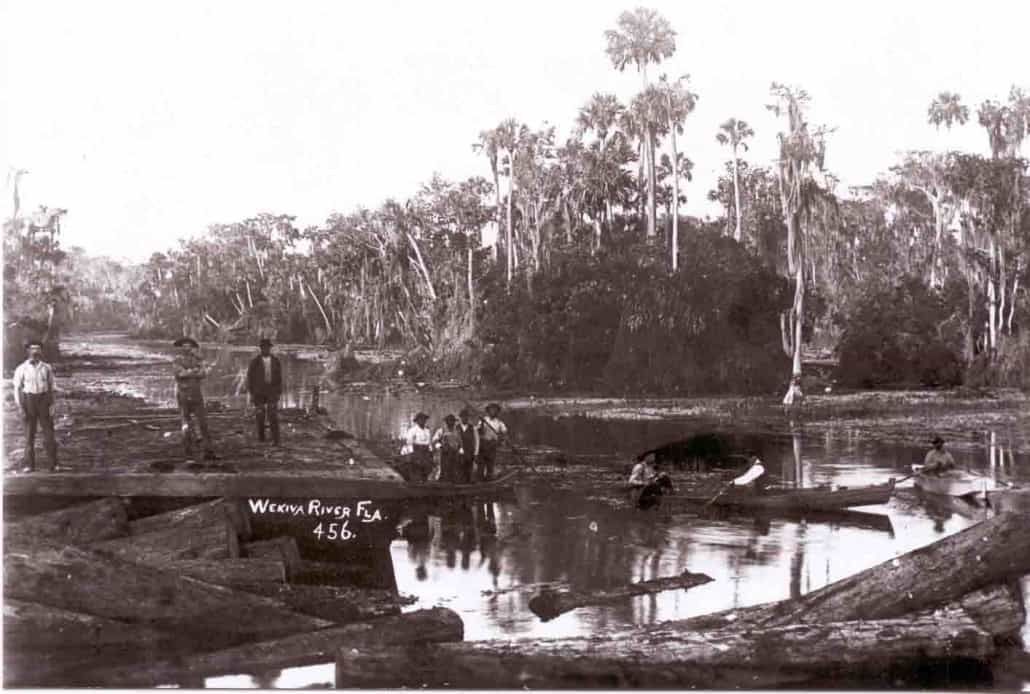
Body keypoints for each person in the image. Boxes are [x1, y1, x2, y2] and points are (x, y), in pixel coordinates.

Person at [12, 340, 59, 472]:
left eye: (38, 349)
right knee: (29, 435)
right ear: (28, 351)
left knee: (49, 434)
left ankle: (53, 464)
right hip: (29, 401)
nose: (35, 352)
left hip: (44, 400)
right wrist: (20, 407)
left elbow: (51, 387)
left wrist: (52, 404)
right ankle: (29, 465)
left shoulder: (47, 368)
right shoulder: (21, 368)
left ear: (41, 351)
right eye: (32, 349)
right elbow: (17, 389)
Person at [172, 337, 216, 460]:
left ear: (192, 347)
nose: (187, 348)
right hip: (183, 394)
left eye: (189, 346)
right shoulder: (177, 360)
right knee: (186, 423)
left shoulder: (198, 359)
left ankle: (208, 450)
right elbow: (180, 374)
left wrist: (191, 371)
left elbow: (203, 374)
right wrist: (194, 371)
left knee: (203, 423)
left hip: (196, 393)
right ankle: (188, 451)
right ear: (181, 347)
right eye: (184, 346)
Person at [246, 338, 283, 446]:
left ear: (270, 348)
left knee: (273, 415)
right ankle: (261, 437)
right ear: (261, 348)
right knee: (260, 415)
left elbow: (279, 378)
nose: (266, 349)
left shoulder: (276, 361)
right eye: (264, 347)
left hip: (272, 391)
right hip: (259, 392)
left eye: (268, 347)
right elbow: (250, 379)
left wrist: (278, 392)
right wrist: (252, 393)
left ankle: (276, 439)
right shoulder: (255, 362)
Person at [477, 403, 508, 481]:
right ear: (488, 411)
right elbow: (479, 432)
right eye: (491, 409)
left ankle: (489, 481)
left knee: (490, 465)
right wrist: (482, 424)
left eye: (495, 410)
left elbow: (505, 433)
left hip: (492, 445)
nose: (493, 411)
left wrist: (503, 440)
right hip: (483, 445)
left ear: (497, 412)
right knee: (481, 465)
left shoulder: (499, 423)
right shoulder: (483, 420)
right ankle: (480, 481)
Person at [403, 412, 433, 481]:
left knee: (426, 468)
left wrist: (430, 451)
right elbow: (409, 442)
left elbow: (429, 442)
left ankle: (424, 481)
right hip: (416, 451)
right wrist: (411, 454)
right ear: (417, 421)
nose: (423, 421)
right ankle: (416, 482)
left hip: (426, 452)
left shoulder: (427, 430)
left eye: (424, 419)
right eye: (421, 419)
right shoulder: (413, 430)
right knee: (416, 468)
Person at [432, 414, 463, 482]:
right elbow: (434, 440)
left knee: (454, 468)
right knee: (444, 468)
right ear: (446, 422)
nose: (451, 422)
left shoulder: (457, 431)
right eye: (449, 421)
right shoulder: (441, 430)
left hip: (455, 453)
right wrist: (440, 446)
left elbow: (460, 442)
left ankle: (454, 482)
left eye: (452, 421)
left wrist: (460, 449)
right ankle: (442, 481)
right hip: (445, 453)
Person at [457, 408, 480, 484]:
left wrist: (476, 453)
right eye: (463, 417)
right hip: (459, 452)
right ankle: (460, 485)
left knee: (469, 468)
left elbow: (477, 440)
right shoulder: (456, 427)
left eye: (466, 417)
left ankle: (468, 485)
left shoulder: (473, 428)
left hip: (470, 451)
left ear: (468, 418)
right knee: (460, 469)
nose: (464, 418)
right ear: (460, 418)